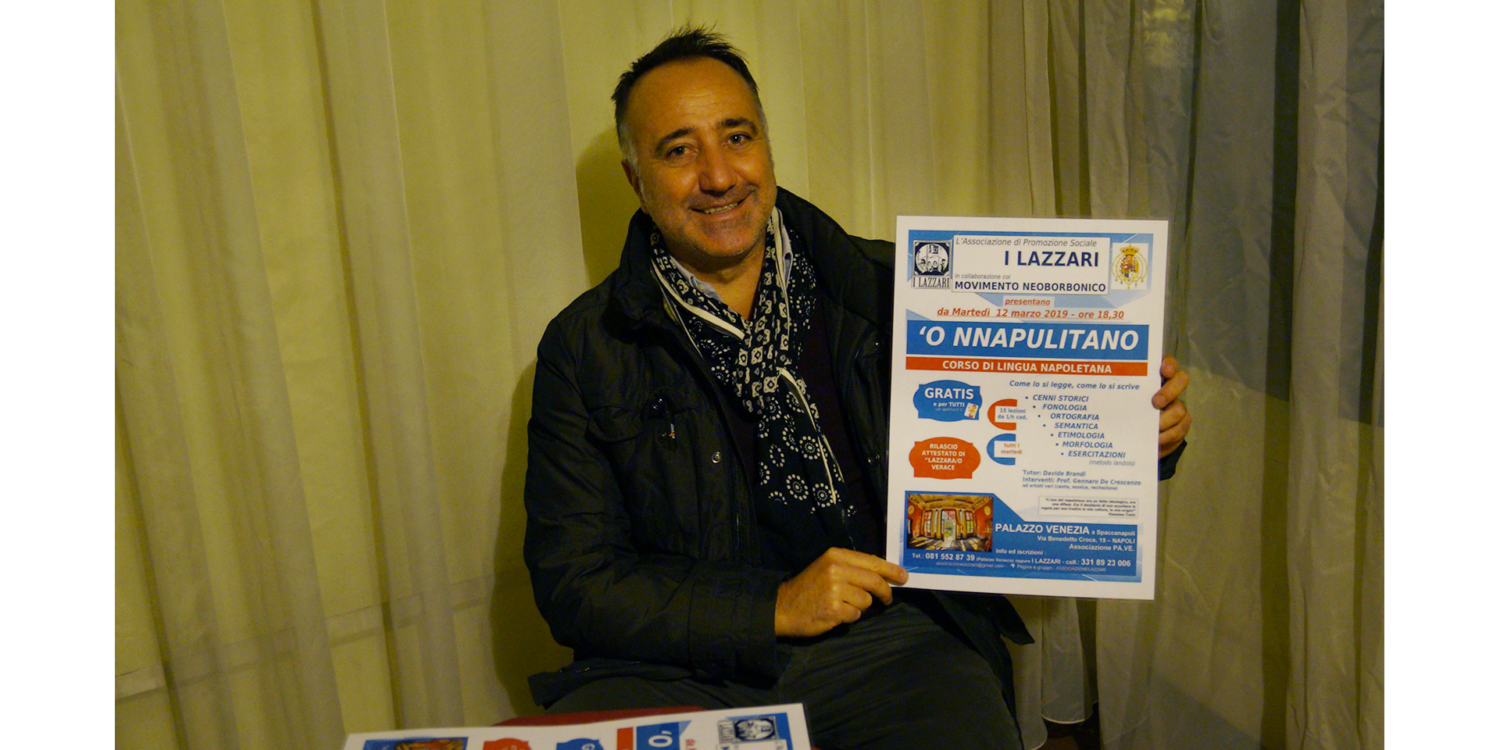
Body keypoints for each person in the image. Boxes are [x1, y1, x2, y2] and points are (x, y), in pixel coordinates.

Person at [522, 27, 1191, 750]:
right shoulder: (586, 347)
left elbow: (1016, 445)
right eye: (679, 151)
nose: (718, 175)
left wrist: (1126, 435)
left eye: (737, 137)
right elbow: (576, 582)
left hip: (889, 643)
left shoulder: (897, 292)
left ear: (766, 146)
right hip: (677, 666)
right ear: (636, 180)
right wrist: (771, 607)